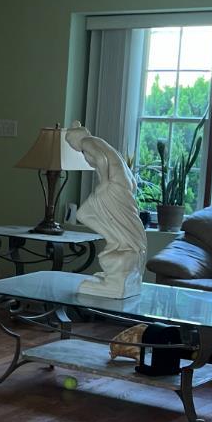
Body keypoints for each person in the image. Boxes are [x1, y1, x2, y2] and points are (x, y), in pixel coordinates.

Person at [65, 124, 146, 298]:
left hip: (113, 185)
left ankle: (114, 242)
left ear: (76, 138)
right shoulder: (98, 141)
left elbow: (102, 160)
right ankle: (116, 244)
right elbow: (126, 172)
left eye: (70, 142)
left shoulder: (87, 142)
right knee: (112, 220)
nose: (72, 146)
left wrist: (103, 184)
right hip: (123, 185)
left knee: (83, 214)